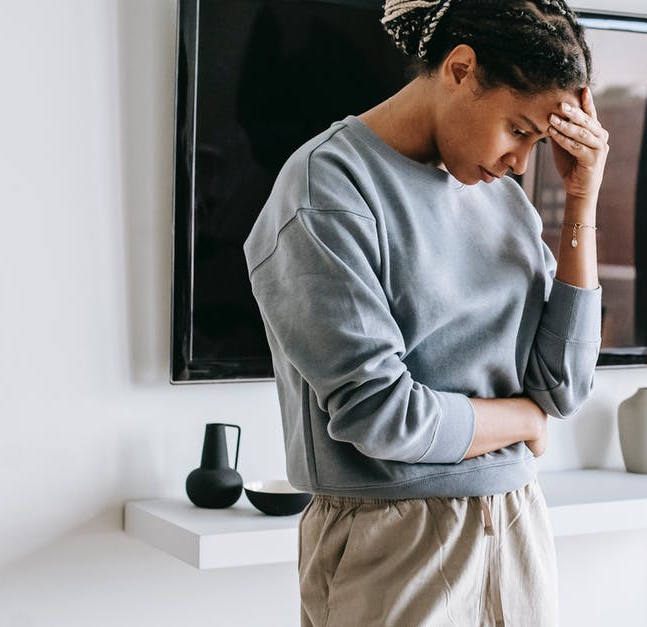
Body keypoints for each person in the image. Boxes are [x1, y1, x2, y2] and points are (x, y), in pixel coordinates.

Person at [243, 0, 608, 624]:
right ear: (461, 69)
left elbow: (562, 386)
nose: (523, 160)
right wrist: (522, 419)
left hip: (519, 528)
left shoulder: (504, 201)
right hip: (395, 546)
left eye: (540, 141)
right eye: (520, 130)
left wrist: (581, 205)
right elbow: (382, 415)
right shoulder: (327, 190)